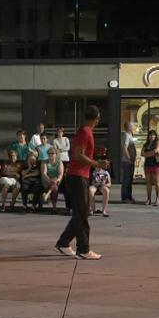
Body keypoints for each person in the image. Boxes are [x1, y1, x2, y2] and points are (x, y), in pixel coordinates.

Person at [55, 105, 108, 260]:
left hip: (78, 176)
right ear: (96, 118)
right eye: (98, 118)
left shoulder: (86, 131)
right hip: (77, 177)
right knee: (82, 213)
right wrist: (97, 164)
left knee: (81, 213)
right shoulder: (85, 131)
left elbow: (81, 153)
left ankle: (64, 243)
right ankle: (83, 249)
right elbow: (78, 155)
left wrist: (95, 155)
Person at [141, 130, 159, 206]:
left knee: (157, 183)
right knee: (148, 183)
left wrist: (147, 154)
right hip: (147, 165)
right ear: (148, 136)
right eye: (150, 135)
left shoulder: (158, 143)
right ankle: (149, 199)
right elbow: (142, 153)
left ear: (155, 136)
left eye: (153, 135)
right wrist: (150, 153)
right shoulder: (146, 144)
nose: (152, 136)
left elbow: (156, 151)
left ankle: (158, 199)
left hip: (156, 165)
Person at [41, 147, 64, 214]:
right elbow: (44, 173)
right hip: (47, 180)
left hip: (57, 180)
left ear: (56, 154)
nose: (50, 155)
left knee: (55, 187)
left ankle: (47, 195)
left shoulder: (59, 162)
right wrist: (50, 180)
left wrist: (57, 180)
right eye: (49, 153)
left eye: (52, 153)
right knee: (55, 187)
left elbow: (60, 174)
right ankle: (54, 207)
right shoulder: (44, 162)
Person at [121, 122, 137, 204]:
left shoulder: (130, 135)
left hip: (130, 162)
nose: (133, 127)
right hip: (127, 162)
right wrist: (129, 159)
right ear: (128, 127)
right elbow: (124, 148)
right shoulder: (127, 136)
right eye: (132, 126)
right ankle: (125, 197)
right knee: (127, 180)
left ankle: (129, 196)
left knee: (130, 180)